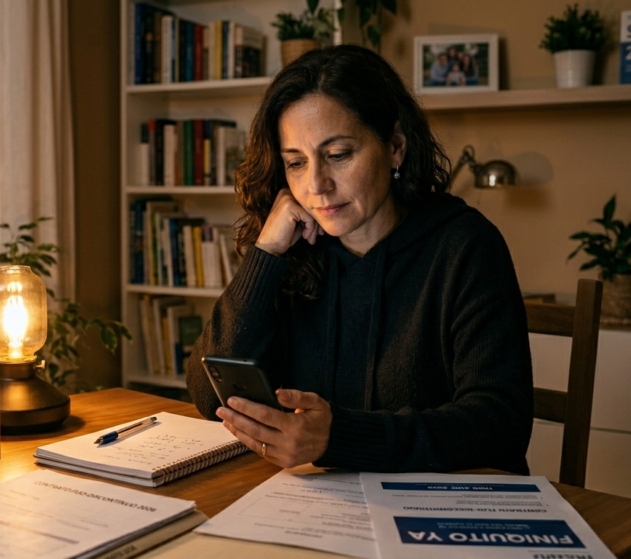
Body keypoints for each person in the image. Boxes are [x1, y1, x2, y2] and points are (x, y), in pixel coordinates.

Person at [184, 45, 533, 475]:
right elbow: (207, 396)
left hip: (440, 511)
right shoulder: (293, 251)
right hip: (318, 506)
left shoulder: (465, 245)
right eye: (296, 162)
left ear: (396, 147)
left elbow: (501, 423)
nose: (316, 185)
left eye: (338, 155)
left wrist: (338, 439)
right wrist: (265, 256)